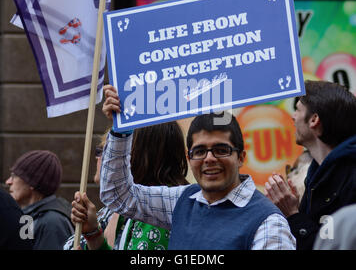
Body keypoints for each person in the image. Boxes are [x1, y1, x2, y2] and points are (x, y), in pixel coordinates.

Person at [96, 86, 296, 250]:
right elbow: (117, 195)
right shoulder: (183, 200)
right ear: (188, 158)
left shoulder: (269, 223)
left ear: (241, 157)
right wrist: (122, 129)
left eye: (221, 149)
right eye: (199, 151)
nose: (209, 159)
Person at [71, 93, 190, 250]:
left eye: (118, 146)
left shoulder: (159, 214)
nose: (108, 156)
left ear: (140, 154)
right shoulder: (128, 206)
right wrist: (93, 233)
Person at [265, 80, 356, 250]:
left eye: (298, 110)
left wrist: (293, 214)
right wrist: (297, 209)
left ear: (314, 120)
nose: (293, 116)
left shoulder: (351, 176)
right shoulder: (316, 175)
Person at [63, 129, 124, 250]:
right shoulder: (109, 211)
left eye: (102, 151)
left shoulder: (145, 216)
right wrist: (91, 233)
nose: (97, 158)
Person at [6, 150, 74, 249]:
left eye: (14, 176)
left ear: (32, 182)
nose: (8, 182)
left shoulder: (52, 223)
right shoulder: (31, 216)